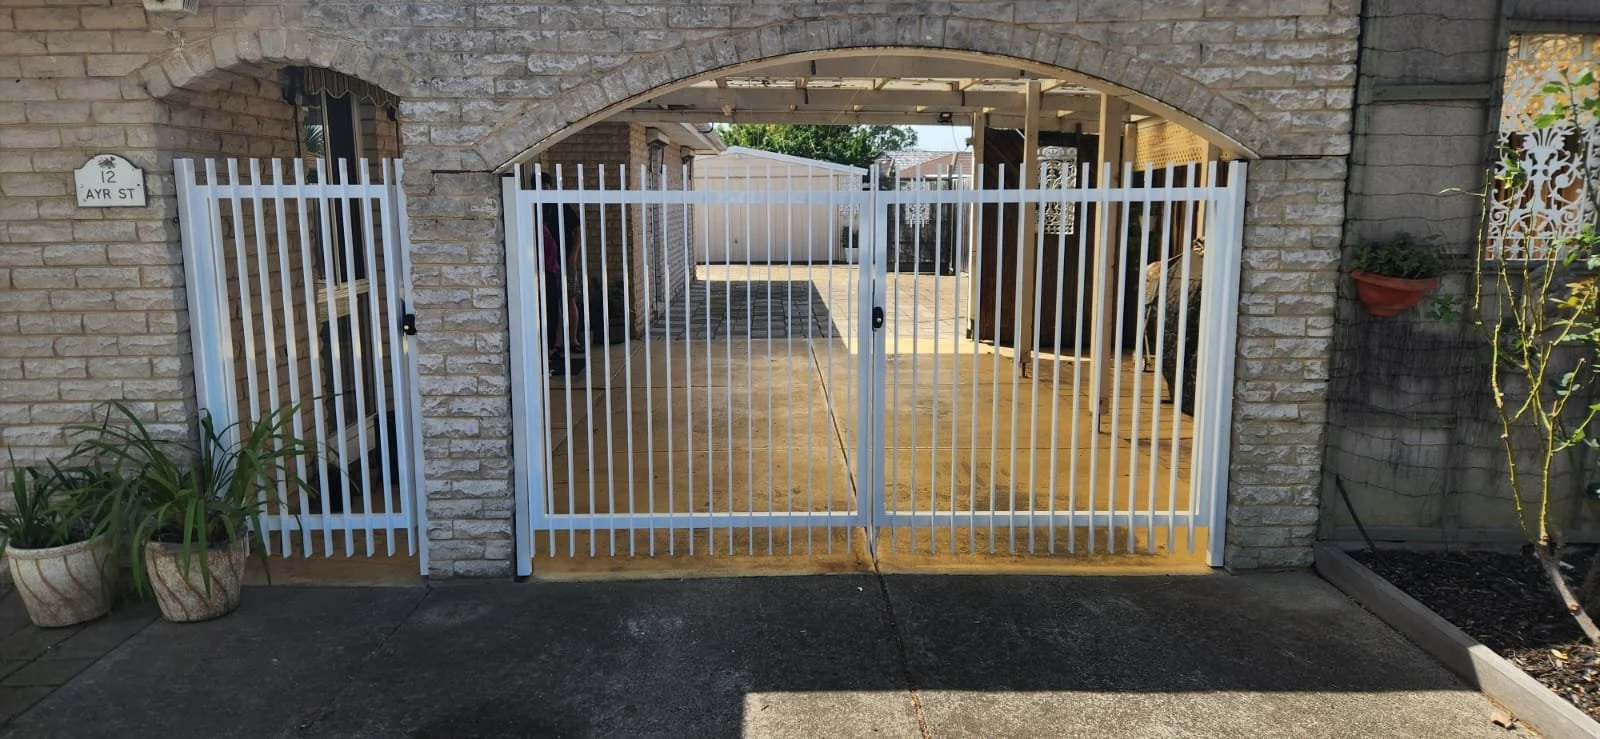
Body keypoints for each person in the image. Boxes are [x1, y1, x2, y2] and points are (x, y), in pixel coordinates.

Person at [539, 172, 585, 376]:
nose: (543, 191)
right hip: (548, 264)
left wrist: (573, 255)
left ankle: (573, 339)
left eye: (545, 187)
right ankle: (556, 343)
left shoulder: (560, 206)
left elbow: (577, 230)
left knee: (569, 298)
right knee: (552, 301)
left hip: (565, 261)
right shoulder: (538, 207)